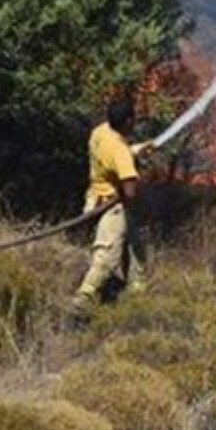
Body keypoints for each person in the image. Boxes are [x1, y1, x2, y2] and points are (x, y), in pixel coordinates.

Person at [72, 97, 148, 314]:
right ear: (127, 121)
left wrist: (135, 150)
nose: (134, 123)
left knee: (136, 246)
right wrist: (136, 169)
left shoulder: (100, 132)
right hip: (111, 207)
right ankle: (83, 299)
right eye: (133, 119)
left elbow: (113, 153)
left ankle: (137, 292)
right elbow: (130, 191)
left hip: (95, 195)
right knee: (107, 257)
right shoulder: (120, 152)